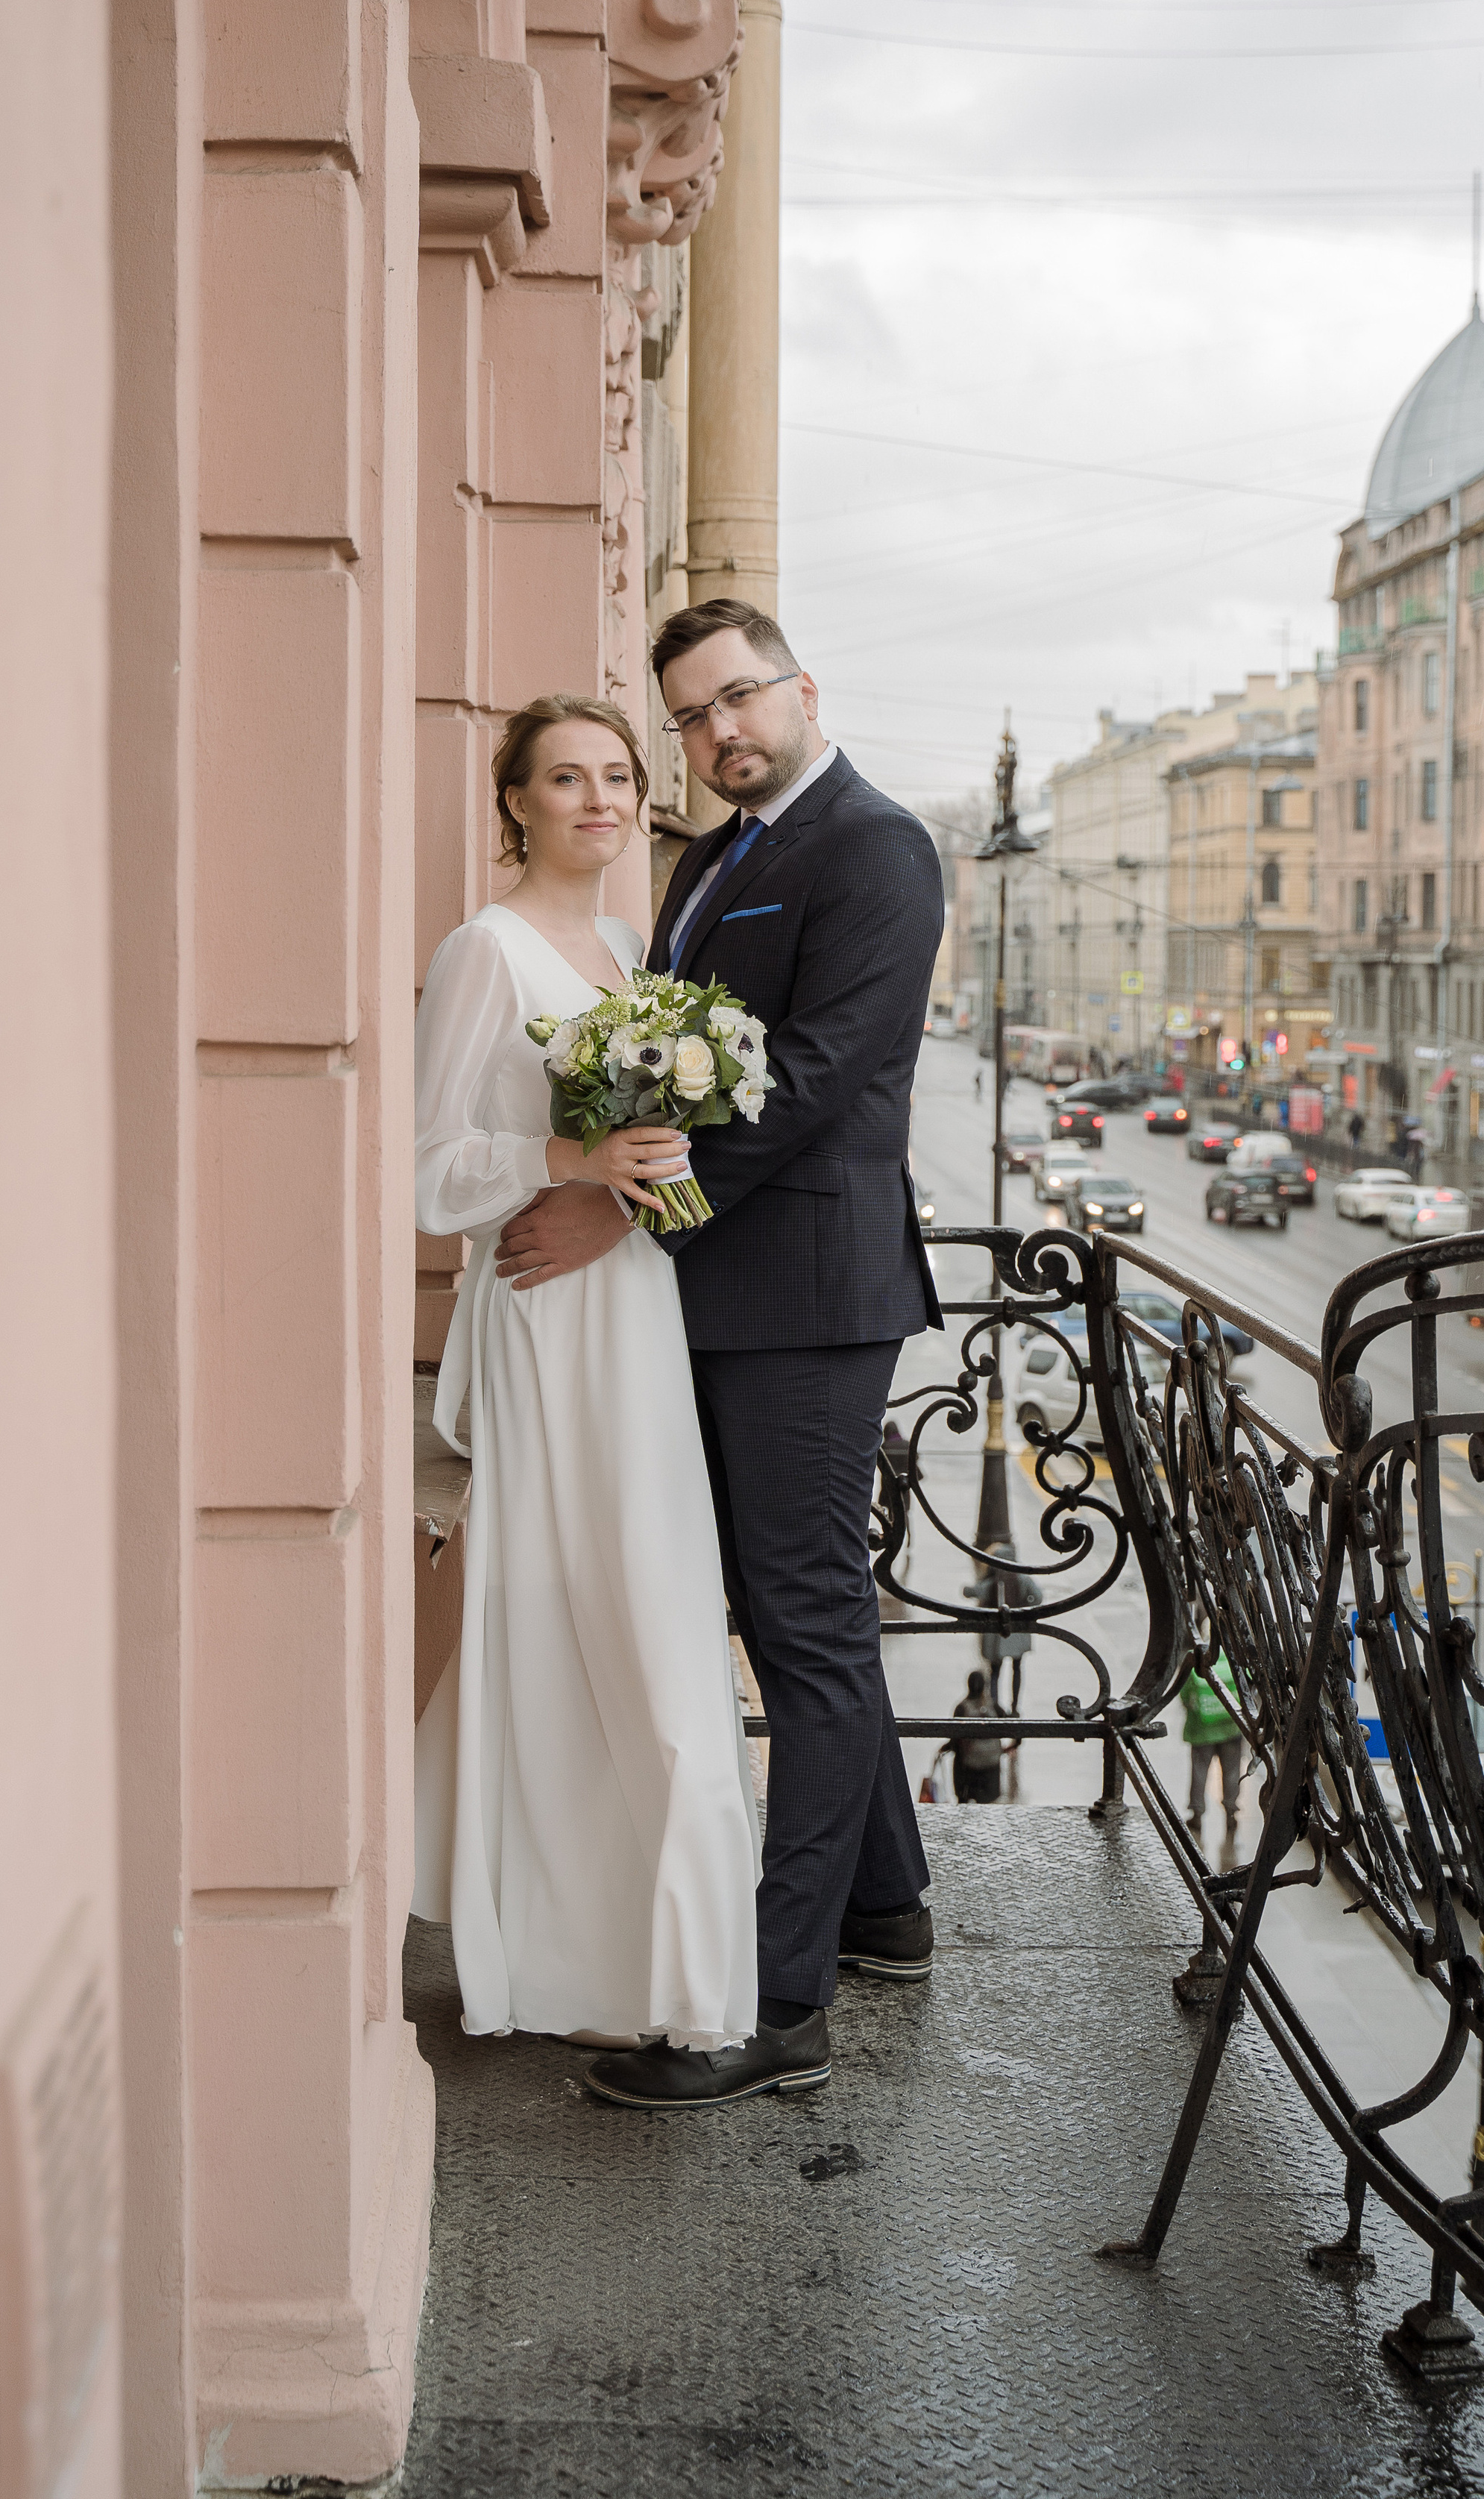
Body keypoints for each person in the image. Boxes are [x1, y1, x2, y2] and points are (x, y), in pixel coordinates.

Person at [492, 599, 946, 2110]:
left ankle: (774, 2002)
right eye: (690, 716)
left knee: (803, 1626)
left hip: (809, 1296)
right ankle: (883, 1905)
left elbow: (820, 1077)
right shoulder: (712, 856)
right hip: (720, 1294)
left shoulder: (874, 846)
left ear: (801, 689)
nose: (718, 733)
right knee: (788, 1606)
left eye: (737, 700)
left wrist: (628, 1217)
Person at [411, 695, 761, 2057]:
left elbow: (646, 1148)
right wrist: (571, 1167)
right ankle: (568, 1953)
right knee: (574, 1601)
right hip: (548, 1319)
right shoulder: (485, 953)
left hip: (635, 1304)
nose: (601, 799)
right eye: (567, 778)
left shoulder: (628, 946)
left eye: (618, 774)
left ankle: (649, 1943)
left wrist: (650, 1177)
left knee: (654, 1596)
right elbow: (426, 1173)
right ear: (517, 803)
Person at [1183, 1656, 1242, 1838]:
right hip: (1231, 1727)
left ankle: (1197, 1814)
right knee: (1232, 1772)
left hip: (1202, 1731)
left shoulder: (1196, 1658)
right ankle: (1231, 1813)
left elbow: (1184, 1694)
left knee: (1200, 1772)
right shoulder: (1234, 1657)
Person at [950, 1669, 1002, 1804]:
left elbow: (954, 1738)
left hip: (968, 1767)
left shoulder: (962, 1708)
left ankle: (962, 1801)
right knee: (988, 1805)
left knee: (958, 1759)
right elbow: (1011, 1725)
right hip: (991, 1763)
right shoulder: (993, 1706)